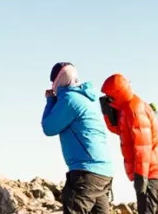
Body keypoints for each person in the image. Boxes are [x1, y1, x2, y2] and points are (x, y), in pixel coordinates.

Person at [41, 62, 116, 214]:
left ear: (58, 81)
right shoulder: (89, 98)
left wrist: (50, 100)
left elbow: (49, 127)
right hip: (104, 172)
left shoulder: (70, 99)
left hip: (87, 171)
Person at [99, 74, 158, 214]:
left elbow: (143, 146)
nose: (107, 98)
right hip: (149, 171)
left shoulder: (135, 109)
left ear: (117, 93)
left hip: (150, 171)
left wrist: (141, 176)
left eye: (109, 95)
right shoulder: (124, 108)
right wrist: (107, 114)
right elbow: (120, 131)